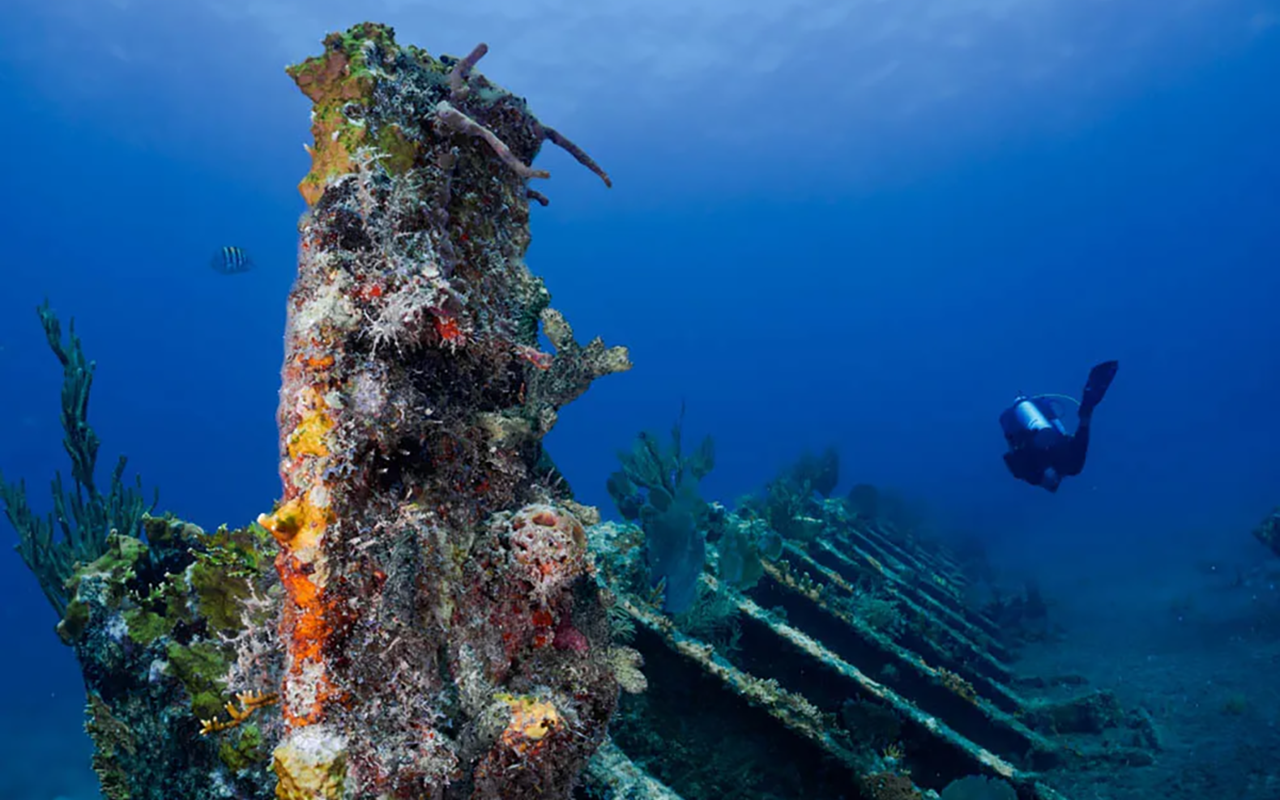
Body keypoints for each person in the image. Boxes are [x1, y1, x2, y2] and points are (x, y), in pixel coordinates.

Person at [999, 361, 1118, 492]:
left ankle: (1087, 406)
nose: (1054, 480)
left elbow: (1011, 449)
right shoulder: (1068, 466)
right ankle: (1086, 406)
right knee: (1071, 460)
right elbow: (1081, 436)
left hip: (1037, 440)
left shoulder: (1033, 474)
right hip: (1045, 439)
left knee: (1070, 458)